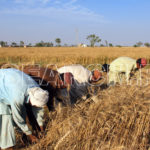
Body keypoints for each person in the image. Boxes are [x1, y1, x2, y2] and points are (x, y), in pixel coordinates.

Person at [0, 68, 49, 150]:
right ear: (31, 101)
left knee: (22, 111)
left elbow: (38, 110)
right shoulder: (17, 97)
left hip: (9, 78)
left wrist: (41, 128)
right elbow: (17, 118)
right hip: (2, 84)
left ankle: (20, 135)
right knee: (6, 116)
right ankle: (7, 146)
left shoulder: (37, 90)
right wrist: (29, 134)